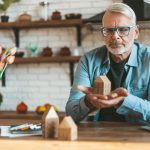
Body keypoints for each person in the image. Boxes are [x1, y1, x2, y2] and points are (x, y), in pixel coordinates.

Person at [66, 3, 150, 124]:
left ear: (136, 32)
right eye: (109, 30)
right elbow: (71, 114)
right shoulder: (88, 60)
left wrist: (123, 101)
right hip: (99, 134)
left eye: (123, 29)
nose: (115, 36)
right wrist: (88, 101)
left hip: (141, 136)